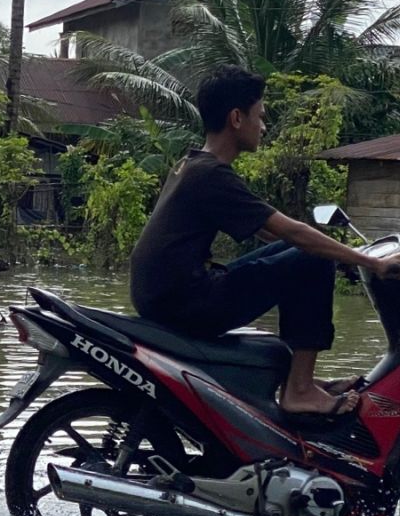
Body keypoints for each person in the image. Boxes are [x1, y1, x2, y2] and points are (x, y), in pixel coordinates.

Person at [129, 65, 400, 418]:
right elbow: (291, 231)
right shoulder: (211, 175)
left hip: (166, 295)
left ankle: (302, 380)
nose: (264, 125)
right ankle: (299, 391)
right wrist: (372, 262)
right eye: (261, 116)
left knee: (301, 252)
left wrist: (344, 255)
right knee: (309, 257)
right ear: (237, 118)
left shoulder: (193, 164)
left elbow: (267, 229)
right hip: (184, 303)